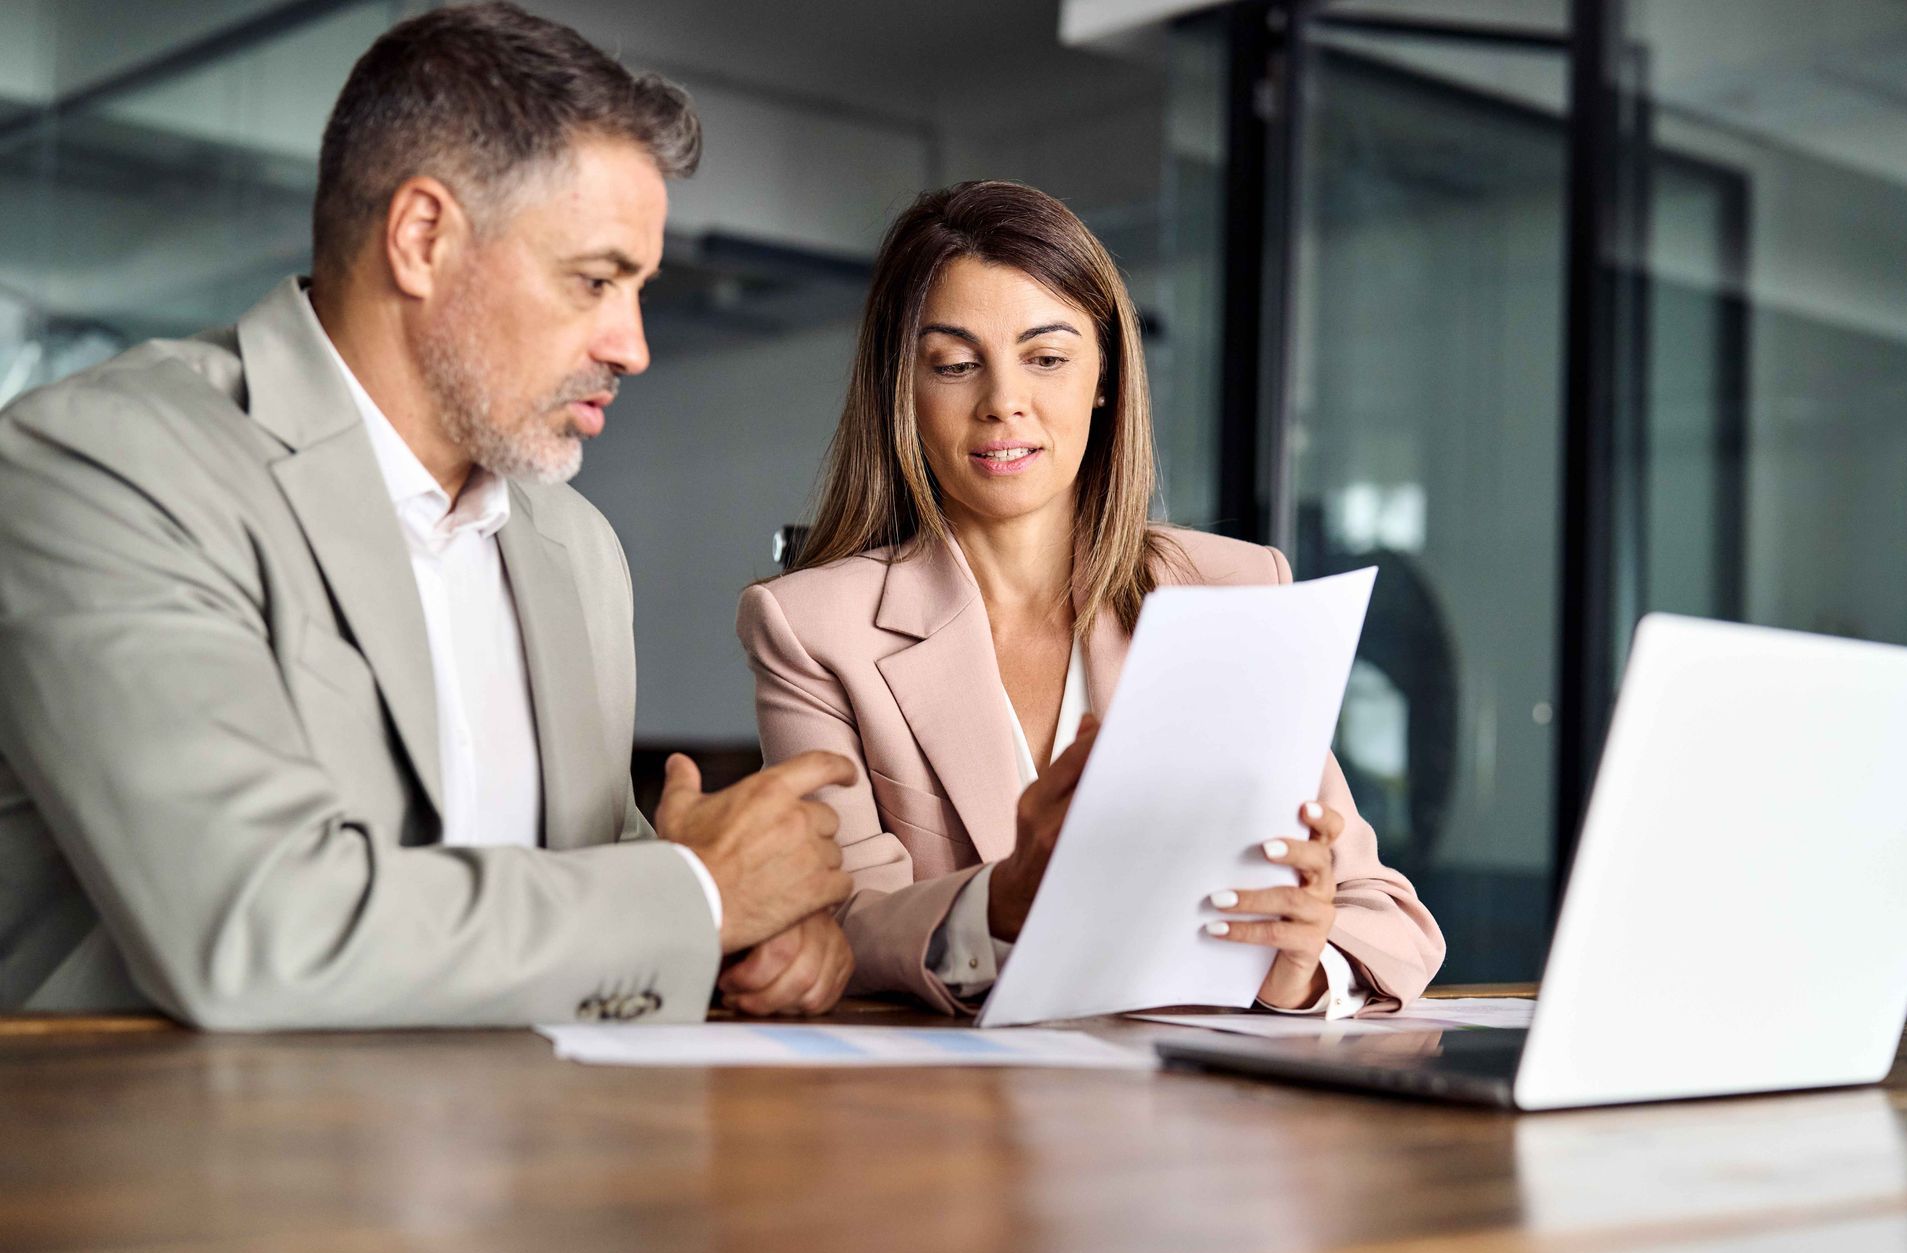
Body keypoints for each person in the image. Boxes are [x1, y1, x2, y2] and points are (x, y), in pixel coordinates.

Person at [0, 3, 858, 1028]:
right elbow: (258, 927)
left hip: (537, 1153)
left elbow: (596, 891)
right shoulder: (105, 464)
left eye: (640, 289)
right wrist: (698, 897)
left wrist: (745, 936)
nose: (631, 345)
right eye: (594, 279)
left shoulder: (577, 550)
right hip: (180, 1167)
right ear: (422, 238)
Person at [736, 181, 1444, 1018]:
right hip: (949, 1121)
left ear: (1103, 377)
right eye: (956, 365)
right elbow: (838, 922)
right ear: (904, 390)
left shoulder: (1233, 590)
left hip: (1195, 1113)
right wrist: (994, 904)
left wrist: (1301, 963)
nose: (1004, 402)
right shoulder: (814, 628)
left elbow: (1389, 919)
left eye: (1047, 357)